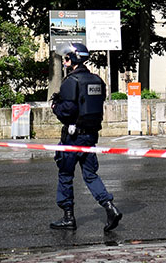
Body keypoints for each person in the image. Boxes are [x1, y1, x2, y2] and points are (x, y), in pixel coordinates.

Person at [49, 42, 122, 232]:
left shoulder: (71, 81)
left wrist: (55, 106)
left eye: (67, 58)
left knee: (65, 175)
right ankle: (110, 207)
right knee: (90, 175)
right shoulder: (97, 80)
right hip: (90, 136)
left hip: (72, 138)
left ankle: (68, 217)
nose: (65, 61)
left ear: (74, 59)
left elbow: (67, 111)